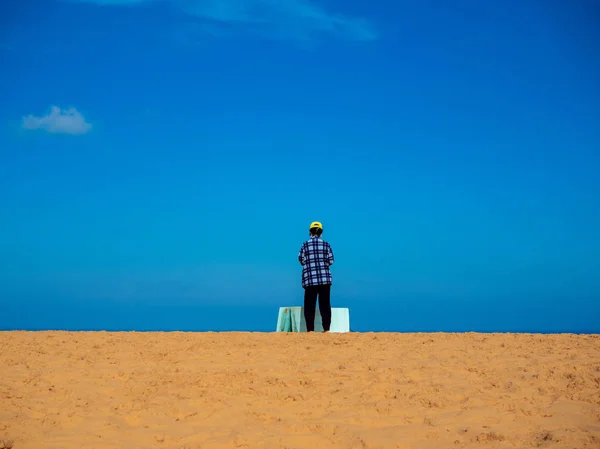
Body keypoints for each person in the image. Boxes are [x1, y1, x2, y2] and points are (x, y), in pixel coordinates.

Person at [298, 221, 335, 332]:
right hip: (325, 279)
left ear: (310, 232)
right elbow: (331, 260)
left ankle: (310, 330)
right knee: (325, 305)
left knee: (310, 305)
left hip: (310, 280)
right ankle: (326, 329)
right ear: (321, 232)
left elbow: (301, 260)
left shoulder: (305, 245)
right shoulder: (326, 244)